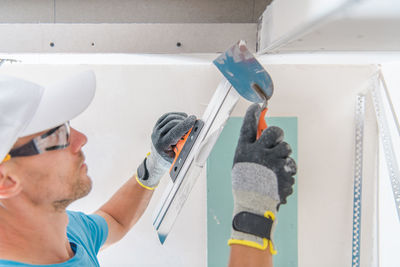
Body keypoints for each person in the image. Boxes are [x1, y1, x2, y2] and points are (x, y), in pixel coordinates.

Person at [0, 71, 296, 266]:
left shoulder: (60, 231)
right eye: (55, 136)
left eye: (67, 126)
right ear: (5, 180)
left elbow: (113, 220)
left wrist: (154, 165)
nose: (80, 139)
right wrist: (253, 214)